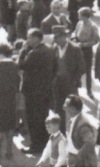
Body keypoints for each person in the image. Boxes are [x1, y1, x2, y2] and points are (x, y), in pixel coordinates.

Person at [20, 28, 58, 156]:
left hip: (32, 91)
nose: (27, 40)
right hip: (45, 90)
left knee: (33, 119)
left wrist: (23, 50)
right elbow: (55, 68)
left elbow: (21, 65)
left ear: (36, 38)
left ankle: (36, 146)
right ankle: (44, 143)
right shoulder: (50, 49)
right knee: (43, 117)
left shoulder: (34, 52)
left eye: (29, 38)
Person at [0, 41, 21, 162]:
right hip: (11, 100)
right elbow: (18, 82)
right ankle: (9, 152)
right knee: (10, 127)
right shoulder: (16, 65)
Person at [64, 93, 98, 167]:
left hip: (82, 163)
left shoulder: (82, 125)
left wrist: (79, 156)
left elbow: (90, 142)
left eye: (66, 106)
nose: (64, 108)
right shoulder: (74, 120)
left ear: (72, 109)